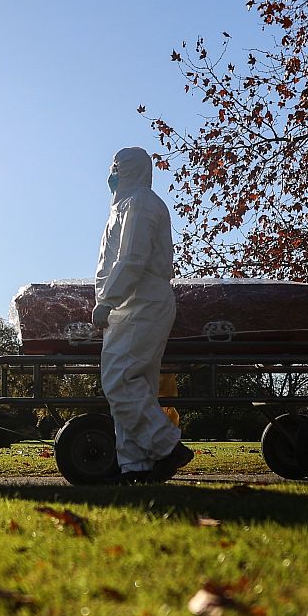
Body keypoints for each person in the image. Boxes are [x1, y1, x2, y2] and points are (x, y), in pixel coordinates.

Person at [92, 147, 194, 483]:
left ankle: (167, 447)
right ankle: (137, 465)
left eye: (115, 168)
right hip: (131, 305)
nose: (111, 175)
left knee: (119, 382)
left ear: (127, 170)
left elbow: (132, 259)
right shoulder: (126, 205)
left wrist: (107, 300)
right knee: (137, 387)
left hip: (140, 301)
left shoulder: (140, 204)